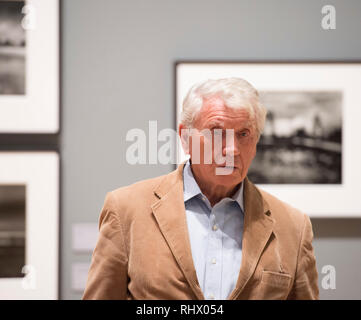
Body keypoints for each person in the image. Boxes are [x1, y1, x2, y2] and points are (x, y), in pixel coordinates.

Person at [83, 78, 319, 300]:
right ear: (185, 138)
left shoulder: (294, 228)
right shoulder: (126, 210)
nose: (232, 149)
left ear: (256, 142)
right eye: (217, 133)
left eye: (243, 134)